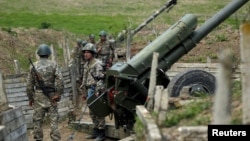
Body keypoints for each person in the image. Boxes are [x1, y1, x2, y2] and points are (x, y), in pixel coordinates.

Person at [26, 44, 64, 141]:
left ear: (39, 54)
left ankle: (38, 139)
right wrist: (58, 94)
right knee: (54, 121)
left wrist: (30, 98)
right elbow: (60, 80)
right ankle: (55, 139)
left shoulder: (33, 66)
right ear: (49, 54)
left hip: (38, 97)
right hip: (52, 95)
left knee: (37, 121)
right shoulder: (54, 65)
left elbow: (29, 85)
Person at [80, 43, 106, 141]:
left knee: (98, 111)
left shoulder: (97, 63)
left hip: (96, 90)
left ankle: (101, 133)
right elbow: (84, 79)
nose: (85, 54)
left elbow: (100, 79)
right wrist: (83, 92)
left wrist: (98, 92)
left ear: (92, 53)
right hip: (89, 90)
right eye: (84, 52)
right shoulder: (86, 64)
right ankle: (95, 132)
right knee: (92, 112)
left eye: (87, 52)